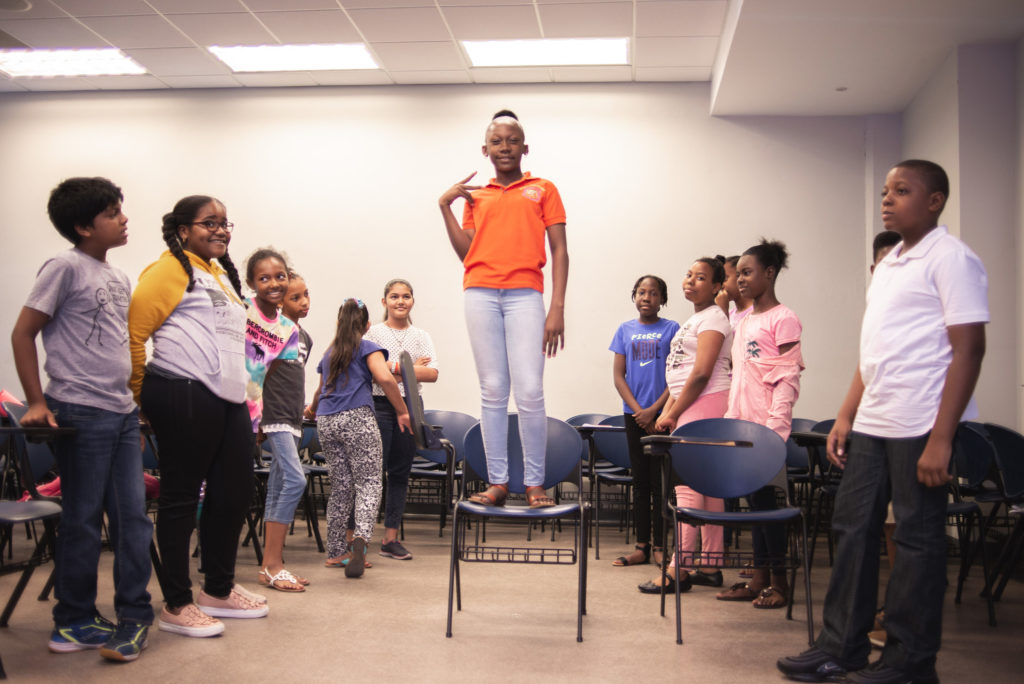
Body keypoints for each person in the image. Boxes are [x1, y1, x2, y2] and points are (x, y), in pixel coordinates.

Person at [778, 160, 987, 684]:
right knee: (851, 528)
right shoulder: (890, 262)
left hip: (921, 422)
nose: (887, 199)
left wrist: (942, 439)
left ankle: (909, 662)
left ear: (935, 201)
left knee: (916, 540)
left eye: (902, 190)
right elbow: (874, 352)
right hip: (874, 421)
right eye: (885, 191)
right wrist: (846, 415)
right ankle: (841, 647)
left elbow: (969, 350)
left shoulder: (952, 259)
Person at [11, 177, 153, 661]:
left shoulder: (118, 276)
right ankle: (73, 620)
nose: (123, 218)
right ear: (82, 227)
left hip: (120, 411)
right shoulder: (64, 266)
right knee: (84, 520)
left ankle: (132, 615)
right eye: (112, 213)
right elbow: (23, 333)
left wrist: (134, 409)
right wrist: (36, 402)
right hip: (80, 408)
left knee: (133, 520)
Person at [129, 195, 268, 639]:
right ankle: (177, 602)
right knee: (181, 498)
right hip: (181, 389)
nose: (221, 230)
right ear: (183, 230)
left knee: (233, 493)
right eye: (210, 222)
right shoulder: (168, 269)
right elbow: (134, 334)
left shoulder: (218, 275)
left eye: (225, 223)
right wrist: (140, 398)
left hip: (226, 399)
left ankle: (218, 590)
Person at [438, 109, 568, 508]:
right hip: (479, 294)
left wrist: (557, 307)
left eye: (512, 141)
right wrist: (445, 207)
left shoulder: (543, 189)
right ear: (485, 150)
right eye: (497, 141)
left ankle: (534, 484)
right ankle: (497, 482)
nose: (505, 147)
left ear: (525, 148)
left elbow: (560, 250)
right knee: (493, 389)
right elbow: (468, 254)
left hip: (525, 295)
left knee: (529, 390)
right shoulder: (476, 196)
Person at [715, 239, 804, 610]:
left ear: (769, 273)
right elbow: (739, 378)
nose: (740, 280)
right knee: (755, 506)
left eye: (747, 273)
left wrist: (774, 430)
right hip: (742, 427)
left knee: (768, 509)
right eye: (738, 274)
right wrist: (731, 424)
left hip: (767, 432)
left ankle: (779, 583)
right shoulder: (745, 321)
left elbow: (788, 378)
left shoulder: (784, 318)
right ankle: (760, 579)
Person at [638, 258, 733, 594]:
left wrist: (673, 411)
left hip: (705, 403)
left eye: (701, 277)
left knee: (688, 487)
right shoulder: (697, 318)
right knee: (707, 488)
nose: (691, 280)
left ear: (717, 286)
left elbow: (702, 373)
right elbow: (682, 372)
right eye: (689, 275)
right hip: (693, 404)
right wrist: (671, 409)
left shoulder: (714, 318)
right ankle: (710, 564)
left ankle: (679, 568)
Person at [311, 298, 412, 578]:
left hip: (326, 420)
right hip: (357, 418)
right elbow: (386, 379)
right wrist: (402, 412)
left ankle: (335, 553)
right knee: (369, 483)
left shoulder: (329, 353)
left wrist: (310, 409)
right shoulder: (367, 347)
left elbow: (319, 391)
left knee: (341, 488)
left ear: (338, 322)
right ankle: (360, 541)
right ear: (367, 325)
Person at [242, 250, 304, 592]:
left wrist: (258, 420)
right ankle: (269, 564)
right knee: (294, 481)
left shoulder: (288, 330)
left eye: (280, 276)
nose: (273, 283)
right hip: (221, 407)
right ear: (251, 282)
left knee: (282, 483)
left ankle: (271, 565)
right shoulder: (241, 310)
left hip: (253, 415)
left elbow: (265, 375)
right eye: (264, 278)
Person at [364, 278, 438, 561]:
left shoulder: (421, 336)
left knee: (400, 472)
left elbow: (432, 374)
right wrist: (408, 368)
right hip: (379, 405)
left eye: (406, 296)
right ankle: (359, 537)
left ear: (412, 301)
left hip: (411, 405)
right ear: (384, 302)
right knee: (372, 472)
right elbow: (373, 376)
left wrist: (390, 368)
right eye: (394, 296)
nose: (400, 301)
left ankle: (390, 539)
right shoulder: (373, 333)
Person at [608, 275, 678, 567]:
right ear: (634, 296)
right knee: (640, 481)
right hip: (633, 415)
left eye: (653, 293)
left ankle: (661, 546)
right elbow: (618, 376)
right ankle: (641, 547)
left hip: (664, 415)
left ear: (662, 299)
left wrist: (655, 411)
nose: (646, 297)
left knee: (662, 482)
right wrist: (640, 412)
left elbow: (677, 377)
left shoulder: (672, 329)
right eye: (641, 292)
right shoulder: (624, 330)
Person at [716, 255, 753, 325]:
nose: (720, 285)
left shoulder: (755, 313)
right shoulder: (730, 313)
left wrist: (723, 311)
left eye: (725, 279)